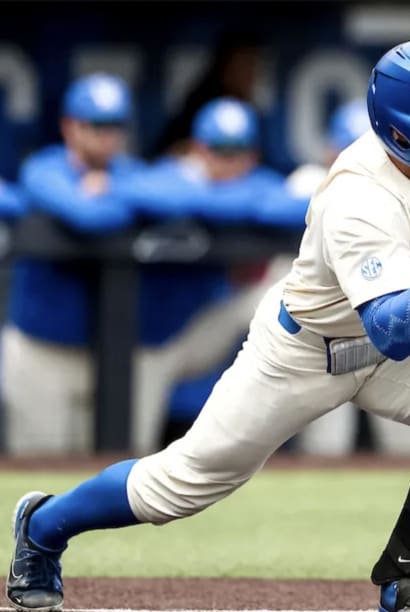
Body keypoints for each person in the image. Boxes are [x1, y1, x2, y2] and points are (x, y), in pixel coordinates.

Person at [5, 38, 410, 612]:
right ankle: (43, 525)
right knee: (177, 486)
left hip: (397, 331)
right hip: (307, 351)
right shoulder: (358, 197)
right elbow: (396, 333)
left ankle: (406, 581)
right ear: (405, 133)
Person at [259, 100, 410, 457]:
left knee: (408, 449)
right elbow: (268, 207)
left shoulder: (404, 189)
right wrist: (345, 207)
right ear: (329, 149)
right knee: (327, 448)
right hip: (324, 338)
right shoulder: (310, 180)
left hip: (388, 332)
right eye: (345, 147)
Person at [120, 97, 289, 456]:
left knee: (278, 285)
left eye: (236, 152)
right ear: (197, 149)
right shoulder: (169, 177)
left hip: (208, 327)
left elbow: (289, 204)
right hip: (153, 339)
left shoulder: (255, 183)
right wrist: (221, 201)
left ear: (252, 154)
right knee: (133, 448)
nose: (227, 162)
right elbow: (133, 192)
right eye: (218, 150)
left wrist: (207, 202)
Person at [0, 73, 142, 456]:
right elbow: (85, 216)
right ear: (69, 126)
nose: (105, 136)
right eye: (95, 125)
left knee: (103, 481)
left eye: (114, 125)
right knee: (39, 474)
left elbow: (173, 195)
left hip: (108, 357)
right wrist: (127, 204)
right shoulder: (43, 168)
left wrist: (113, 190)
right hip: (40, 353)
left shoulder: (126, 175)